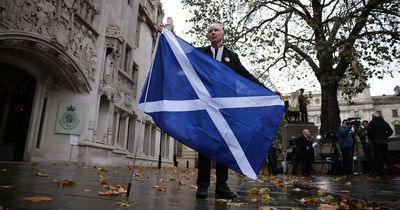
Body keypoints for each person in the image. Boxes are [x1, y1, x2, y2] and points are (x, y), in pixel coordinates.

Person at [195, 23, 276, 199]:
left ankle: (222, 186)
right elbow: (178, 56)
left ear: (223, 33)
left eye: (216, 30)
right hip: (206, 106)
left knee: (224, 146)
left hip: (226, 108)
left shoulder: (232, 56)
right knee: (205, 145)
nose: (213, 32)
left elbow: (246, 76)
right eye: (210, 31)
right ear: (207, 36)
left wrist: (268, 92)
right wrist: (166, 35)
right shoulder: (199, 53)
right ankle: (202, 185)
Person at [367, 112, 393, 177]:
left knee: (379, 158)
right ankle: (391, 172)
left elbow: (369, 131)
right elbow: (391, 131)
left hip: (376, 142)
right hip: (384, 142)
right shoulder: (384, 122)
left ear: (373, 117)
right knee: (386, 157)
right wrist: (385, 136)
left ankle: (383, 173)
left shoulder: (372, 123)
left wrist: (372, 138)